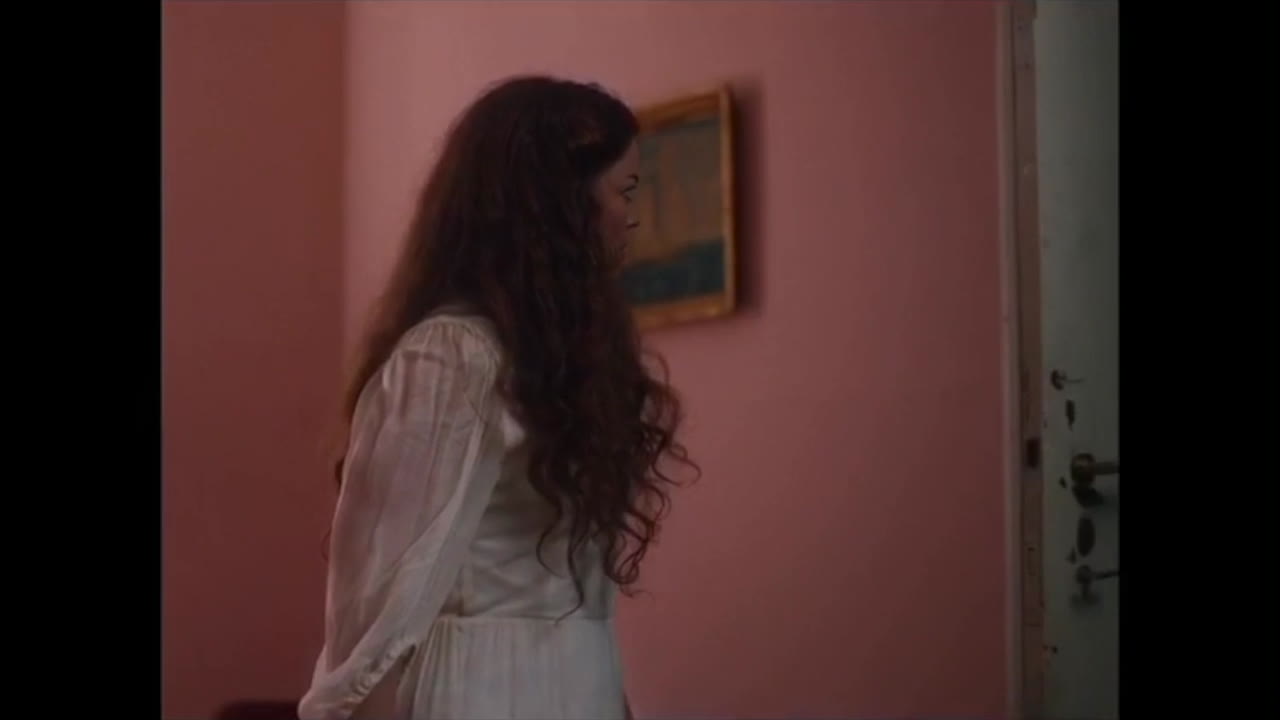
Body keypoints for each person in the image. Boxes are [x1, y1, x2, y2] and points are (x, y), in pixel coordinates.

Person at [298, 76, 697, 720]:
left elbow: (581, 596)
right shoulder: (451, 357)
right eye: (623, 192)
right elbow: (382, 610)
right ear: (560, 204)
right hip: (477, 691)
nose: (632, 215)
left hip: (576, 684)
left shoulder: (564, 366)